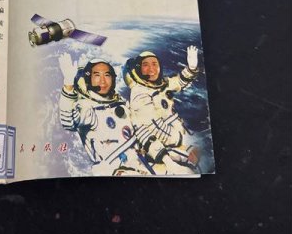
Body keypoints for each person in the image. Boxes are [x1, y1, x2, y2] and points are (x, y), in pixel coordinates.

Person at [123, 46, 201, 175]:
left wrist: (191, 69)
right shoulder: (139, 94)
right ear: (138, 69)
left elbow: (178, 82)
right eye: (146, 65)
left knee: (200, 152)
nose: (152, 69)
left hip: (174, 136)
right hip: (161, 146)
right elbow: (155, 128)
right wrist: (182, 139)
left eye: (155, 64)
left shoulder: (159, 83)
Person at [58, 53, 139, 176]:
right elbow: (68, 121)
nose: (102, 81)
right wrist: (68, 85)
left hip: (138, 160)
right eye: (97, 75)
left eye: (107, 75)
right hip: (112, 170)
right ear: (88, 79)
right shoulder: (86, 107)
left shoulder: (120, 102)